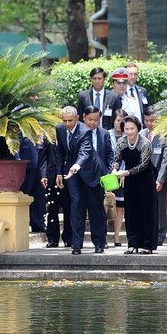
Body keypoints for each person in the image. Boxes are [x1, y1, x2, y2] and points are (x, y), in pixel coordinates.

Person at [55, 106, 100, 255]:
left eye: (70, 120)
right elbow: (60, 152)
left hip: (89, 171)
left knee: (94, 208)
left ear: (77, 118)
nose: (67, 124)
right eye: (65, 121)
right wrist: (59, 173)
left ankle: (99, 243)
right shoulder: (60, 129)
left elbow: (85, 152)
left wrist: (76, 166)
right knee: (76, 206)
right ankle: (76, 245)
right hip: (72, 174)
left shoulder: (85, 131)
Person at [113, 115, 158, 254]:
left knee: (146, 211)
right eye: (126, 128)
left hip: (145, 179)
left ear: (138, 128)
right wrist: (115, 168)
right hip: (130, 180)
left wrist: (125, 172)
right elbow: (117, 158)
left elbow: (144, 165)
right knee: (131, 211)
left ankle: (147, 245)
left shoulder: (144, 143)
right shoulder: (121, 142)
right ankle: (132, 243)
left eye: (132, 128)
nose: (129, 131)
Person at [140, 106, 167, 245]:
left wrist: (160, 179)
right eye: (147, 120)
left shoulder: (164, 134)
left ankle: (160, 235)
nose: (149, 123)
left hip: (158, 176)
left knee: (160, 207)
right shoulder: (142, 133)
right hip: (143, 177)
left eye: (152, 120)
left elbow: (166, 159)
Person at [82, 106, 114, 249]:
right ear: (84, 118)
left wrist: (107, 172)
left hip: (98, 178)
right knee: (79, 210)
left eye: (96, 120)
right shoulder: (79, 132)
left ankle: (100, 242)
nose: (93, 123)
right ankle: (76, 242)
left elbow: (110, 155)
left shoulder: (104, 134)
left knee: (98, 211)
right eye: (90, 119)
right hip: (81, 177)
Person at [40, 137, 72, 248]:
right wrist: (43, 175)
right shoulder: (50, 138)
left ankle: (69, 237)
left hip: (68, 175)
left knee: (69, 208)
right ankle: (52, 238)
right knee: (52, 210)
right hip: (52, 176)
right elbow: (44, 158)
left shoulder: (70, 137)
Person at [108, 108, 128, 246]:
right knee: (107, 204)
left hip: (123, 175)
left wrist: (124, 172)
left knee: (120, 207)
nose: (119, 123)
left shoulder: (128, 137)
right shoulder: (107, 134)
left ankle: (117, 236)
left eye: (122, 121)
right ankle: (102, 236)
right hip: (109, 175)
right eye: (117, 120)